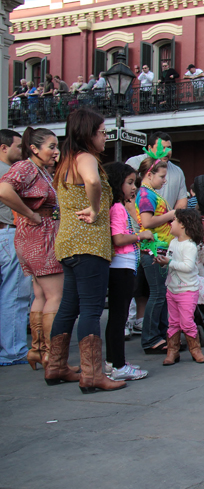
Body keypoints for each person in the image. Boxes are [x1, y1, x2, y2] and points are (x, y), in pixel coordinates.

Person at [45, 109, 124, 393]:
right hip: (88, 243)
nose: (105, 137)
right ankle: (92, 375)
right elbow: (92, 181)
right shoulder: (85, 157)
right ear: (89, 133)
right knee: (91, 309)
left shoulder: (65, 160)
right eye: (102, 132)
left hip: (68, 243)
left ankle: (55, 366)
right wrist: (93, 208)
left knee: (69, 306)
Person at [0, 127, 64, 371]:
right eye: (51, 146)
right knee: (55, 295)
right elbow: (4, 190)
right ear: (35, 149)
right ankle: (51, 354)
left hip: (36, 234)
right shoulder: (26, 167)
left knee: (40, 295)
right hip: (39, 235)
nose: (56, 151)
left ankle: (38, 350)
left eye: (56, 146)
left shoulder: (38, 170)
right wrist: (29, 214)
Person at [103, 162, 149, 381]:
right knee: (118, 318)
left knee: (118, 317)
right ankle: (118, 365)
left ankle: (114, 362)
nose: (134, 188)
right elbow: (119, 238)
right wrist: (141, 235)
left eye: (135, 183)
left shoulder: (121, 206)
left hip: (124, 265)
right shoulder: (117, 208)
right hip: (121, 266)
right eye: (129, 182)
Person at [135, 156, 176, 354]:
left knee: (161, 294)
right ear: (149, 174)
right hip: (152, 250)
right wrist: (172, 214)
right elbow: (147, 222)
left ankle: (160, 335)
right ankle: (151, 338)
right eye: (162, 176)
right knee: (158, 294)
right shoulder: (145, 195)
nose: (164, 180)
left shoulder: (148, 193)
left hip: (158, 249)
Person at [0, 129, 33, 366]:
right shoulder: (9, 174)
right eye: (18, 146)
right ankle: (13, 350)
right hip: (9, 234)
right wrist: (31, 214)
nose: (22, 151)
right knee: (15, 295)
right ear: (3, 148)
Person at [157, 208, 204, 365]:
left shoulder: (190, 246)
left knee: (186, 321)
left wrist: (169, 262)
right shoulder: (173, 243)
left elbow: (187, 266)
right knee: (173, 322)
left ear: (183, 225)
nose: (170, 223)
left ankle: (195, 349)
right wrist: (164, 262)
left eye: (174, 220)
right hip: (172, 289)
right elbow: (171, 260)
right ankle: (172, 351)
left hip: (187, 290)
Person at [126, 132, 188, 210]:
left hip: (167, 221)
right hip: (139, 220)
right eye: (161, 147)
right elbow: (127, 198)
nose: (166, 152)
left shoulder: (178, 172)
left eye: (169, 148)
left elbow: (182, 201)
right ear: (149, 148)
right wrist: (143, 221)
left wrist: (173, 220)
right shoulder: (134, 163)